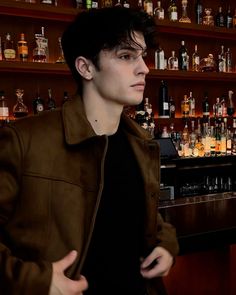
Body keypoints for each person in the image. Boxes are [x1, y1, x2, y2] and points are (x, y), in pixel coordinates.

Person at [0, 7, 179, 295]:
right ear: (85, 68)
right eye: (126, 56)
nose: (144, 68)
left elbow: (145, 217)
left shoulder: (141, 143)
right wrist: (35, 280)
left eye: (142, 55)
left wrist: (166, 246)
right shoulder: (25, 140)